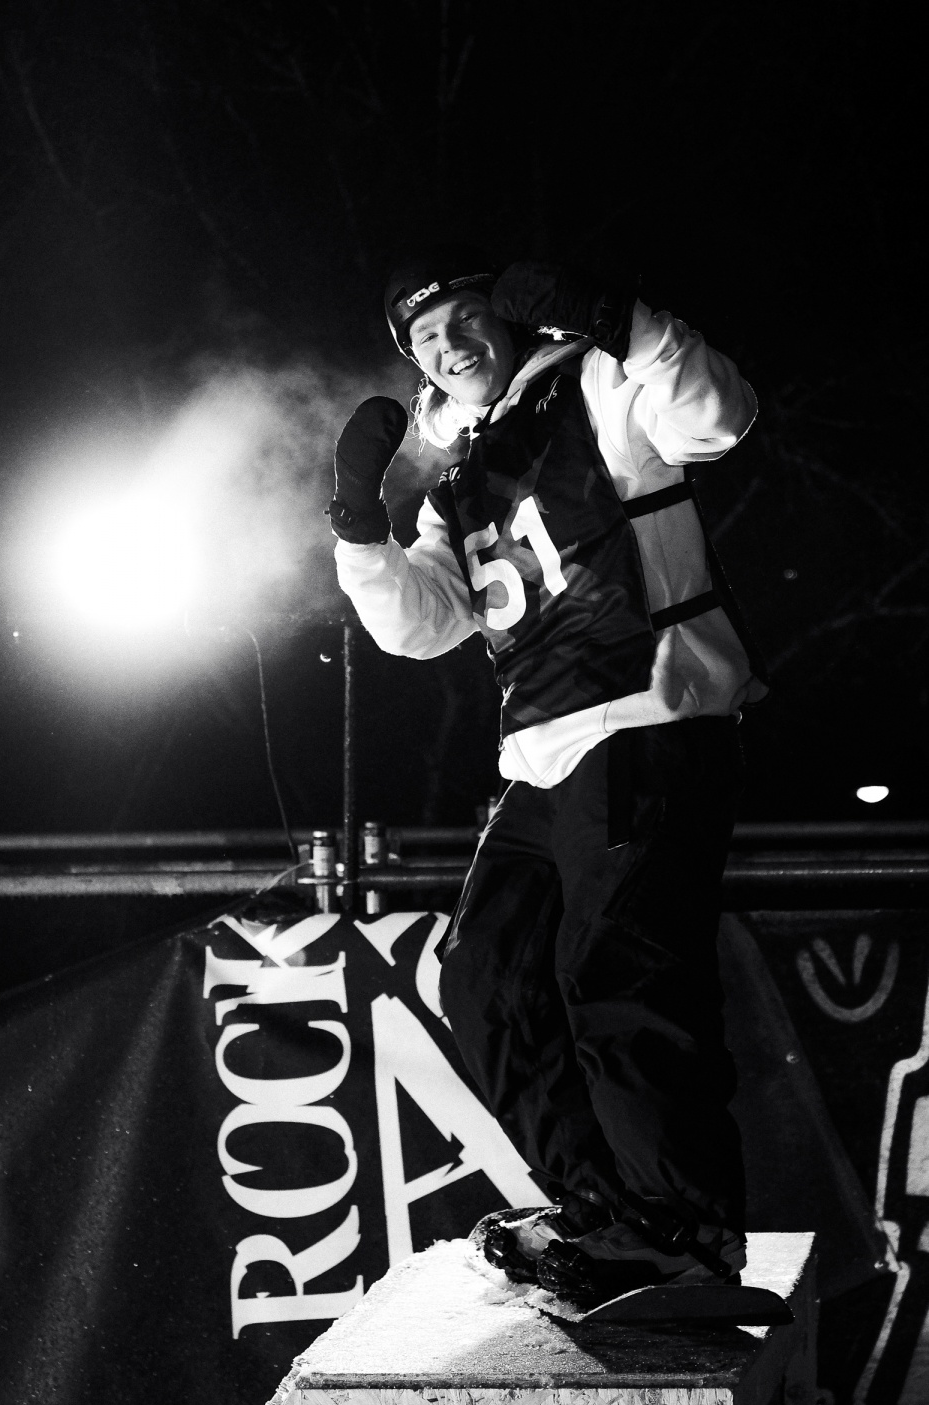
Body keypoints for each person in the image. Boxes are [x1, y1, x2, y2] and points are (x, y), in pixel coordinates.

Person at [328, 245, 766, 1304]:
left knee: (615, 972)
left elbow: (719, 417)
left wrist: (620, 316)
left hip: (643, 719)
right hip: (540, 757)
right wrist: (356, 525)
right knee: (485, 980)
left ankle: (684, 1232)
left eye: (465, 318)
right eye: (426, 339)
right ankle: (606, 1212)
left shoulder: (595, 382)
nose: (449, 345)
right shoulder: (456, 469)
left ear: (511, 316)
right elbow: (421, 627)